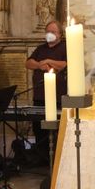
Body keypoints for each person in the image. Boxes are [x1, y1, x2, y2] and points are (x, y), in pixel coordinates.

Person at [25, 20, 67, 163]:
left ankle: (56, 160)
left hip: (57, 97)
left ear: (60, 35)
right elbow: (28, 63)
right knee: (39, 129)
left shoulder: (65, 47)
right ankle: (41, 159)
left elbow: (65, 64)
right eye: (48, 31)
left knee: (56, 129)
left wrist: (49, 60)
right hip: (40, 96)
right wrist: (39, 64)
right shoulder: (40, 49)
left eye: (53, 32)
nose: (50, 34)